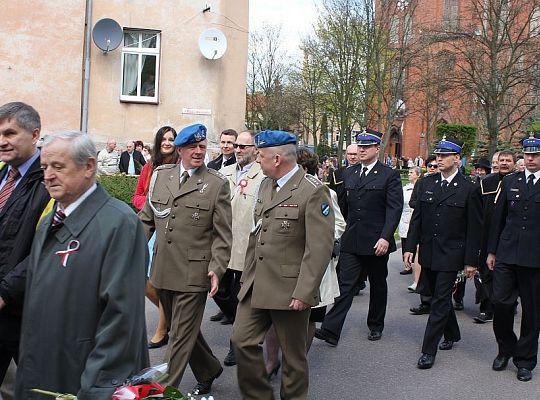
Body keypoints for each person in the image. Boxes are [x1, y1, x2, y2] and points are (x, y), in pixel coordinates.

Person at [15, 131, 149, 399]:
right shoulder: (48, 222)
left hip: (81, 379)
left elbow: (121, 320)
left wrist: (99, 388)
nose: (48, 175)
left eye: (58, 167)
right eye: (44, 167)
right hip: (42, 372)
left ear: (88, 166)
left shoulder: (120, 224)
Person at [231, 130, 334, 400]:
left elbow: (319, 248)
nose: (257, 161)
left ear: (277, 158)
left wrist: (304, 292)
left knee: (293, 358)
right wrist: (246, 276)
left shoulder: (313, 191)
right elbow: (258, 234)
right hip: (257, 284)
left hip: (290, 290)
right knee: (241, 341)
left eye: (260, 156)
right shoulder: (267, 184)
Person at [139, 123, 232, 395]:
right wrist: (125, 252)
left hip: (195, 273)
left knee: (179, 336)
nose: (198, 151)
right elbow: (146, 220)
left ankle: (163, 391)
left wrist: (217, 268)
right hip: (163, 269)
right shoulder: (161, 175)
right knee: (186, 328)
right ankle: (209, 368)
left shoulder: (216, 184)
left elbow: (223, 234)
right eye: (192, 146)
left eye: (202, 147)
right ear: (179, 149)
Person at [315, 128, 403, 345]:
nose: (361, 150)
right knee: (345, 285)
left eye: (365, 147)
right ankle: (331, 330)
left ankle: (375, 325)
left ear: (376, 148)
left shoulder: (388, 175)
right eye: (359, 146)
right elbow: (342, 208)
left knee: (377, 284)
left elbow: (394, 209)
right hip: (352, 238)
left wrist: (385, 237)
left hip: (376, 241)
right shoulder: (349, 173)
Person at [403, 137, 482, 369]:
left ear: (457, 158)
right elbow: (417, 220)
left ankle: (428, 350)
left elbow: (474, 229)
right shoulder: (427, 184)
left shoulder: (469, 189)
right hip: (428, 251)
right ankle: (453, 333)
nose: (439, 158)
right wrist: (410, 249)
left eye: (445, 155)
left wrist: (470, 261)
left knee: (438, 301)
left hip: (451, 254)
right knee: (436, 296)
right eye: (437, 154)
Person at [0, 102, 51, 389]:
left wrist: (6, 291)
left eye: (10, 133)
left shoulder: (50, 181)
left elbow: (47, 248)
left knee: (38, 389)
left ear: (34, 135)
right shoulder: (2, 175)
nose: (2, 142)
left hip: (27, 311)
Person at [486, 133, 540, 382]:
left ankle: (525, 360)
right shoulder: (510, 181)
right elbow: (498, 219)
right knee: (501, 303)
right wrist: (492, 251)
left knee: (532, 311)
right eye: (527, 154)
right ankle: (505, 348)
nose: (530, 158)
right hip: (507, 253)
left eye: (536, 154)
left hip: (535, 258)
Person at [213, 130, 265, 367]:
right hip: (224, 245)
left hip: (248, 247)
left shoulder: (263, 176)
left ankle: (239, 342)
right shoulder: (223, 173)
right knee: (220, 291)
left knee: (242, 297)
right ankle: (243, 326)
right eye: (237, 146)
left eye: (244, 146)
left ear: (255, 149)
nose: (238, 149)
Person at [132, 126, 178, 350]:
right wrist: (149, 205)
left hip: (170, 229)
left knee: (161, 281)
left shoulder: (181, 167)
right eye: (164, 138)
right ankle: (170, 316)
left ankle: (162, 328)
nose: (168, 142)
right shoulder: (149, 167)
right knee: (144, 280)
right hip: (150, 226)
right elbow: (138, 195)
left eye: (172, 139)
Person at [472, 150, 516, 324]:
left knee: (508, 274)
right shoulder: (486, 183)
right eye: (501, 160)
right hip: (487, 234)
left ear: (514, 163)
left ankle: (508, 306)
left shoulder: (518, 181)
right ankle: (486, 308)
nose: (504, 163)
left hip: (510, 236)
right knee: (485, 272)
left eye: (508, 160)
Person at [409, 156, 439, 312]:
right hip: (425, 229)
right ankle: (426, 301)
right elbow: (413, 202)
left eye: (435, 166)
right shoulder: (422, 183)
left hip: (443, 235)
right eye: (430, 166)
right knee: (425, 267)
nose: (433, 168)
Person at [398, 166, 421, 278]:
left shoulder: (421, 186)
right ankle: (407, 265)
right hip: (405, 217)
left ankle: (418, 266)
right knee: (405, 241)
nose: (409, 174)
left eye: (412, 172)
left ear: (418, 174)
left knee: (417, 245)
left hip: (415, 217)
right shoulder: (405, 188)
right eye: (409, 172)